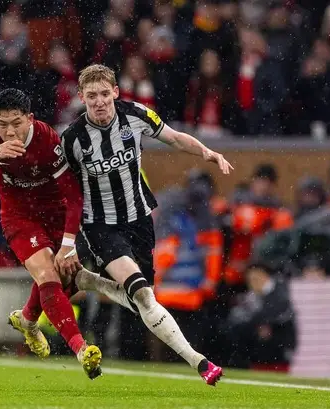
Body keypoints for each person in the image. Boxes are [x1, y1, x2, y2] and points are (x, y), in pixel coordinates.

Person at [61, 64, 233, 386]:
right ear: (82, 98)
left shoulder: (136, 115)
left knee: (144, 298)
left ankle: (90, 281)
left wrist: (208, 153)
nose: (98, 102)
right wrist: (67, 242)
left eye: (103, 94)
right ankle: (199, 362)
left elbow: (175, 138)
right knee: (142, 293)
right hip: (101, 226)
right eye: (91, 96)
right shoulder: (72, 139)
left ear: (115, 92)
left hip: (139, 220)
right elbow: (65, 193)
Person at [0, 88, 133, 379]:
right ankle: (82, 349)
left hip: (55, 214)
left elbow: (74, 196)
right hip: (19, 218)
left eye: (16, 123)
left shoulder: (47, 139)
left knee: (64, 274)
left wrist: (67, 245)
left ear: (30, 119)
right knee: (48, 275)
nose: (9, 131)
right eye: (3, 124)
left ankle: (27, 319)